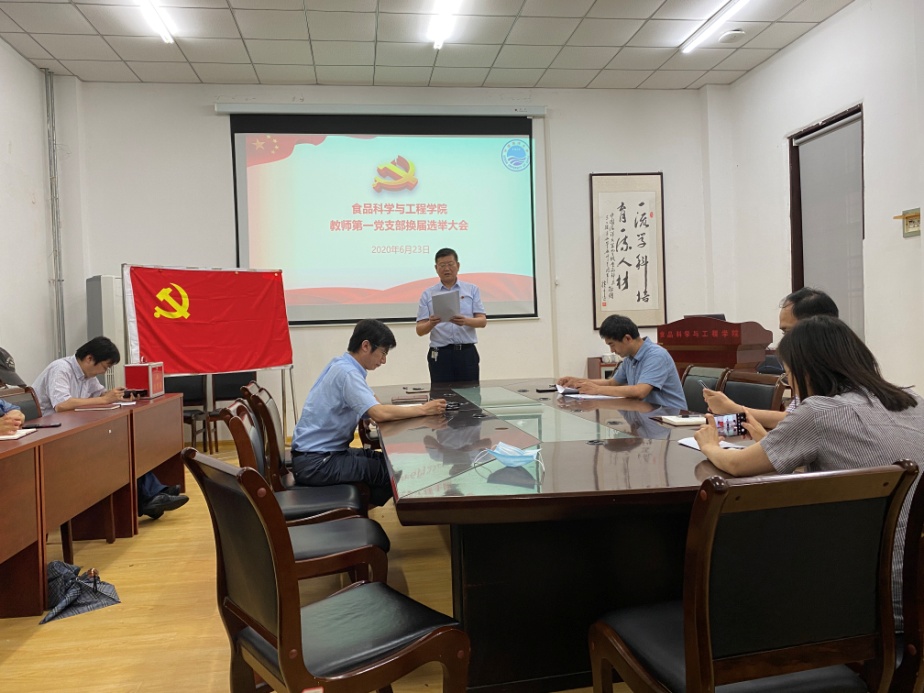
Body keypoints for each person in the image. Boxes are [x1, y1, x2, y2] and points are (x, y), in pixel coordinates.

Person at [694, 315, 924, 630]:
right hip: (916, 594)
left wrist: (709, 444)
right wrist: (769, 442)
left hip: (868, 599)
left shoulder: (818, 412)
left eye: (789, 376)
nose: (791, 386)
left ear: (806, 371)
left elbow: (736, 465)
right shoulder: (914, 402)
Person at [291, 319, 448, 506]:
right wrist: (424, 409)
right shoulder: (348, 373)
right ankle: (364, 513)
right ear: (365, 346)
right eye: (383, 353)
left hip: (316, 456)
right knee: (392, 472)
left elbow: (373, 403)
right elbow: (379, 413)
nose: (383, 360)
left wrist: (370, 411)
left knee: (390, 462)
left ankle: (367, 508)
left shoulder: (342, 364)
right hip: (318, 463)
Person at [31, 336, 188, 519]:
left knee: (123, 442)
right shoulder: (60, 369)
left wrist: (119, 394)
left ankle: (153, 493)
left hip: (72, 428)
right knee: (114, 448)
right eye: (105, 367)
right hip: (50, 435)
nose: (104, 372)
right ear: (90, 358)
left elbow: (100, 394)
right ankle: (151, 495)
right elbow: (61, 404)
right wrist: (105, 399)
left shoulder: (87, 374)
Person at [702, 287, 839, 434]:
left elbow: (802, 421)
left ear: (815, 327)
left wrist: (734, 409)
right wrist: (725, 424)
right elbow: (790, 418)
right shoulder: (808, 368)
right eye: (784, 333)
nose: (785, 340)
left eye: (788, 332)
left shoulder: (836, 374)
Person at [557, 314, 686, 410]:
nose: (612, 351)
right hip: (647, 413)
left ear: (627, 338)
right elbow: (612, 383)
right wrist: (578, 381)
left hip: (670, 417)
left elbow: (640, 391)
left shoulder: (656, 355)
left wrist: (597, 389)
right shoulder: (630, 357)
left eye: (612, 344)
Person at [416, 248, 487, 384]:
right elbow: (419, 330)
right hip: (440, 354)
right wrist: (431, 323)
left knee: (470, 394)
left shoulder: (471, 290)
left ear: (458, 266)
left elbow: (482, 321)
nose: (446, 269)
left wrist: (465, 321)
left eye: (450, 264)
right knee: (441, 395)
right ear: (436, 268)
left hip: (466, 353)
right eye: (442, 265)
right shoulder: (427, 294)